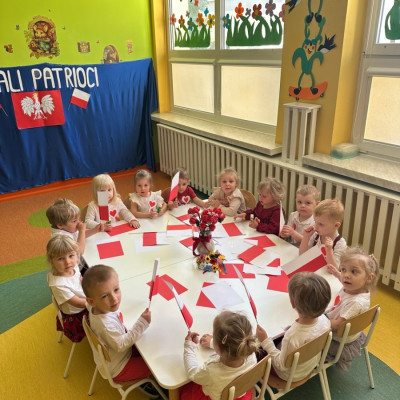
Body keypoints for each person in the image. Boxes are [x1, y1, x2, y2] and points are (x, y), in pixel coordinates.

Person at [81, 264, 158, 398]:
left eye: (116, 289)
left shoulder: (96, 307)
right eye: (104, 296)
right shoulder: (106, 326)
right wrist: (142, 323)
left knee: (150, 346)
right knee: (155, 365)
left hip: (114, 357)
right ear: (92, 301)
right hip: (119, 367)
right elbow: (121, 345)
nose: (114, 298)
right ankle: (145, 382)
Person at [256, 272, 331, 382]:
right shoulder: (326, 321)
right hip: (309, 365)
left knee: (256, 352)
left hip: (289, 374)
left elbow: (281, 365)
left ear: (292, 303)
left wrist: (265, 341)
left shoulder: (292, 337)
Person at [180, 310, 259, 400]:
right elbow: (233, 347)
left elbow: (192, 372)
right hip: (240, 393)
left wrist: (188, 346)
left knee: (184, 390)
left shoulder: (212, 370)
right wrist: (212, 342)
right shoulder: (251, 354)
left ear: (219, 348)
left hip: (217, 397)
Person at [326, 247, 379, 371]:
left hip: (336, 340)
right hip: (349, 333)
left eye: (354, 271)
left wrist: (317, 321)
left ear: (369, 278)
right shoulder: (357, 287)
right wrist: (337, 273)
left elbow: (337, 325)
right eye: (343, 269)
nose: (346, 275)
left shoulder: (355, 302)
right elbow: (343, 278)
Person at [46, 235, 88, 343]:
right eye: (60, 258)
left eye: (71, 256)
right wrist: (96, 302)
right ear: (51, 260)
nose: (68, 262)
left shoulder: (73, 267)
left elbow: (79, 279)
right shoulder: (58, 284)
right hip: (77, 316)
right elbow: (78, 303)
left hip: (85, 300)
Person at [299, 198, 347, 271]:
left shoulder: (340, 243)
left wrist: (329, 251)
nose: (315, 226)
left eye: (321, 224)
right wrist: (306, 237)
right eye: (315, 222)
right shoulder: (316, 235)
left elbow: (334, 270)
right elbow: (302, 256)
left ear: (336, 225)